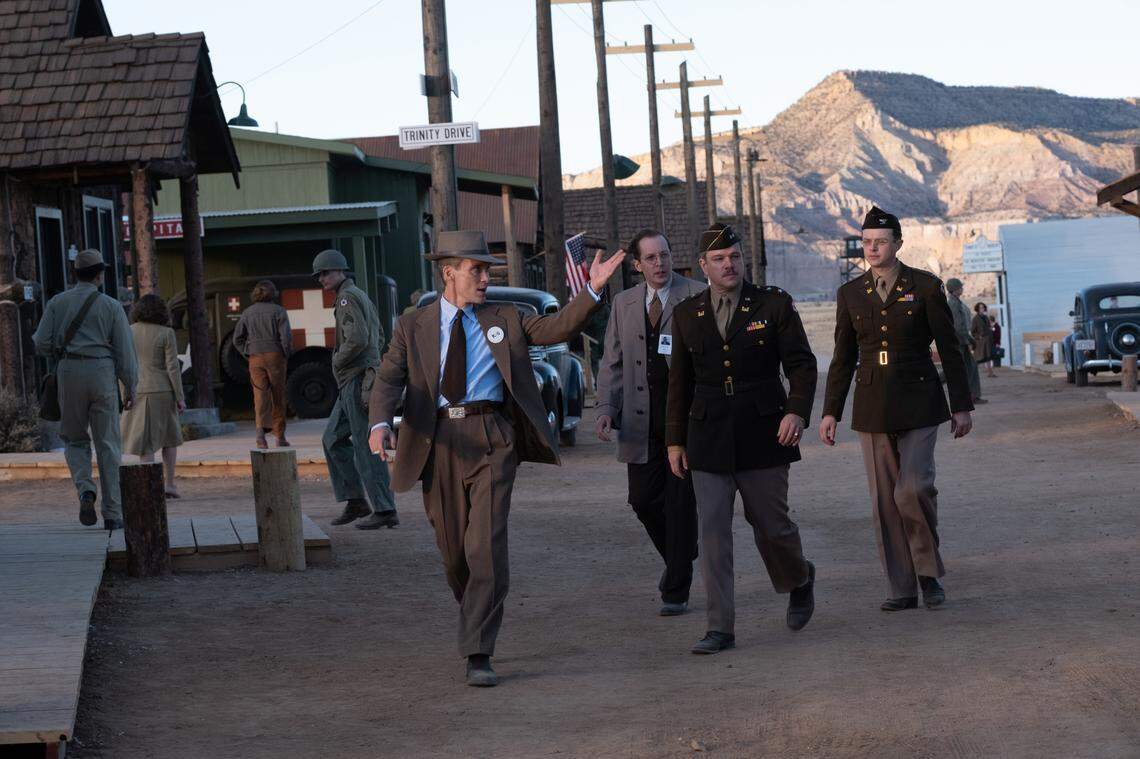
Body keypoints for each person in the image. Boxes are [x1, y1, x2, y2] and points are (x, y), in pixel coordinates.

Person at [367, 230, 622, 687]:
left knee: (485, 547)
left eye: (488, 270)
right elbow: (388, 379)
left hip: (492, 438)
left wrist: (593, 289)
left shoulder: (504, 316)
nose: (485, 278)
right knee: (454, 555)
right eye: (476, 270)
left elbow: (559, 327)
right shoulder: (413, 326)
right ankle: (476, 611)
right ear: (449, 273)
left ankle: (479, 651)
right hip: (436, 441)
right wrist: (380, 423)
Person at [665, 222, 818, 656]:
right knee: (713, 533)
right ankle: (720, 628)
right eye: (718, 259)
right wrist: (674, 441)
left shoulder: (773, 304)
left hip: (765, 430)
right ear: (703, 266)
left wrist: (796, 412)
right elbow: (679, 383)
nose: (728, 264)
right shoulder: (687, 314)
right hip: (707, 434)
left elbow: (803, 366)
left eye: (733, 256)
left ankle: (799, 577)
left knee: (771, 526)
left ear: (742, 258)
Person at [819, 206, 974, 612]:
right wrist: (830, 411)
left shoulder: (925, 286)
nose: (872, 248)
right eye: (867, 242)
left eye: (881, 242)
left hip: (920, 399)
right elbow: (842, 356)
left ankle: (928, 574)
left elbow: (951, 348)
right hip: (872, 405)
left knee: (913, 489)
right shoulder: (850, 293)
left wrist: (961, 406)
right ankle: (902, 586)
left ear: (898, 244)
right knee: (884, 501)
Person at [595, 228, 705, 616]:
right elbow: (612, 362)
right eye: (652, 258)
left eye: (665, 255)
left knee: (680, 504)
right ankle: (683, 552)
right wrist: (606, 407)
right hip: (640, 420)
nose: (661, 264)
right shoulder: (624, 303)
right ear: (637, 265)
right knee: (642, 500)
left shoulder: (695, 294)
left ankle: (676, 588)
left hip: (685, 420)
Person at [32, 248, 138, 530]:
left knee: (74, 439)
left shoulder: (57, 303)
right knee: (108, 445)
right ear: (100, 275)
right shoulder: (112, 306)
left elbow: (40, 344)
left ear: (74, 273)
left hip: (69, 371)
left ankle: (85, 490)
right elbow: (125, 354)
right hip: (102, 371)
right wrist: (131, 386)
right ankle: (113, 514)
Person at [312, 249, 398, 531]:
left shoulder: (348, 298)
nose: (322, 278)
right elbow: (380, 334)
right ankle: (356, 500)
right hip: (356, 377)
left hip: (356, 379)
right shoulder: (357, 295)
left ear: (340, 271)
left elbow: (358, 338)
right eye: (320, 275)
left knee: (365, 444)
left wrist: (337, 360)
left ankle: (385, 508)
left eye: (326, 273)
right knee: (333, 439)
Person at [120, 294, 185, 498]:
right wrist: (180, 397)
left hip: (138, 389)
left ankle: (148, 486)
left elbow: (124, 365)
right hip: (163, 390)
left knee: (144, 441)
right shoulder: (167, 333)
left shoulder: (128, 332)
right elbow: (173, 368)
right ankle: (171, 484)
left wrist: (125, 394)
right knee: (169, 438)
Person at [233, 280, 293, 448]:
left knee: (260, 396)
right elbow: (286, 338)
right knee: (278, 395)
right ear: (273, 293)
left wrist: (248, 352)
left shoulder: (247, 313)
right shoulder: (279, 311)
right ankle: (280, 437)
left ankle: (260, 437)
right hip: (275, 356)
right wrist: (286, 355)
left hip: (255, 357)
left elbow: (237, 338)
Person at [946, 278, 984, 404]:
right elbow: (958, 326)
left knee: (969, 368)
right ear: (955, 289)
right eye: (960, 287)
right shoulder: (953, 304)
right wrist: (970, 340)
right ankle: (970, 396)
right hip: (959, 342)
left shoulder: (956, 302)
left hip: (960, 341)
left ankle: (973, 396)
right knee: (956, 369)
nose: (962, 288)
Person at [972, 302, 996, 379]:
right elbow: (973, 331)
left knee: (988, 357)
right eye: (980, 308)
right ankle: (973, 374)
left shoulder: (986, 317)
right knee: (979, 358)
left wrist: (991, 331)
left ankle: (990, 373)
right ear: (977, 309)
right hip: (981, 342)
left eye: (983, 307)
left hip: (988, 340)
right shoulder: (975, 319)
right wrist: (979, 337)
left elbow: (989, 327)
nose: (982, 309)